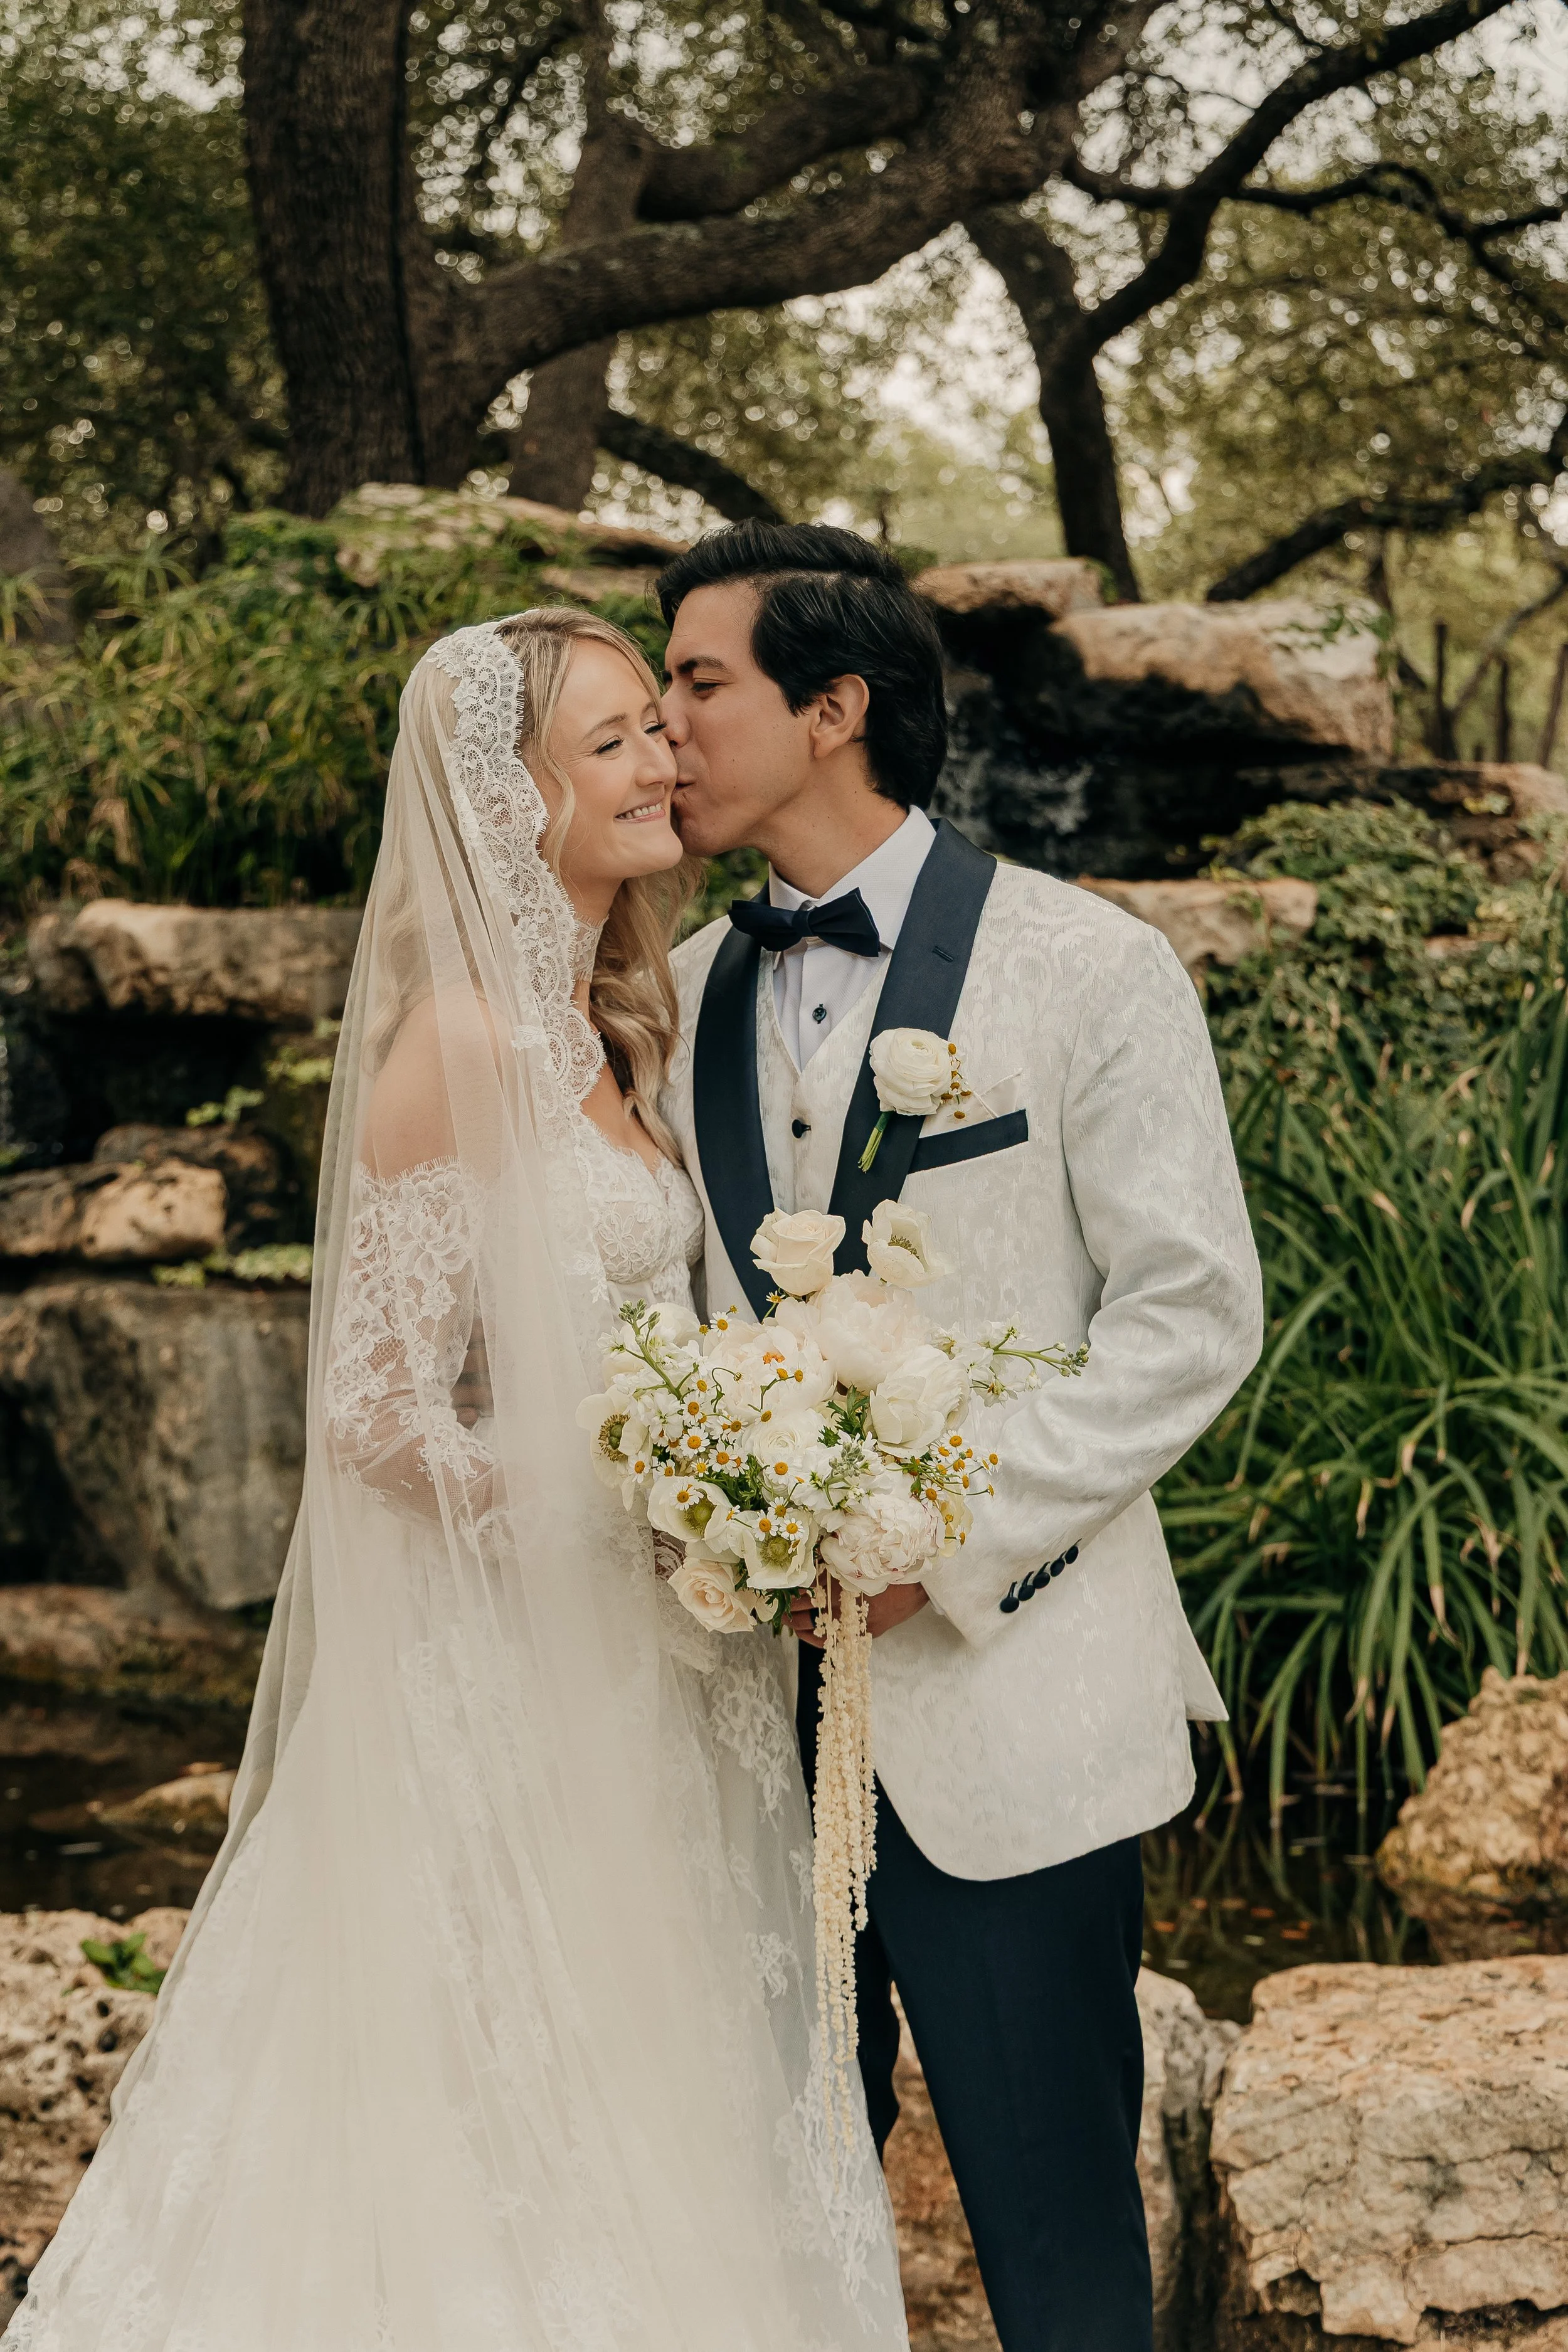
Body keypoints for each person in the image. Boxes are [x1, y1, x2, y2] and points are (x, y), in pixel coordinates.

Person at [5, 610, 908, 2352]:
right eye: (616, 742)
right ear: (510, 801)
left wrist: (738, 1465)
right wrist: (622, 1493)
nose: (662, 763)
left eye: (659, 724)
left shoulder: (612, 1024)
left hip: (662, 1666)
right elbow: (368, 1412)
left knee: (672, 2048)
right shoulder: (464, 1043)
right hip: (513, 1668)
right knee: (503, 2070)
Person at [657, 524, 1265, 2352]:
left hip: (1014, 1710)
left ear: (830, 708)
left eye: (698, 684)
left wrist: (953, 1533)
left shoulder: (1088, 966)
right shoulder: (682, 990)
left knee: (1060, 2252)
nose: (663, 725)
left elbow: (1189, 1316)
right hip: (744, 1723)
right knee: (783, 2229)